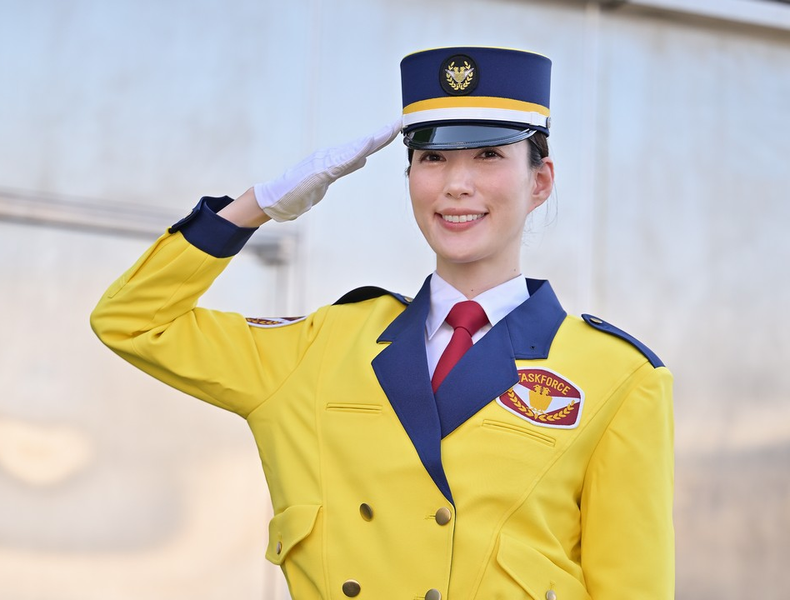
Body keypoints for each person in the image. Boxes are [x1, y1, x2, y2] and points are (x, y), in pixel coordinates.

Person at [91, 46, 674, 600]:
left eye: (489, 155)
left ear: (540, 180)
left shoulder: (618, 378)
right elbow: (133, 321)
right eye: (432, 158)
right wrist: (256, 206)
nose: (456, 184)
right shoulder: (323, 346)